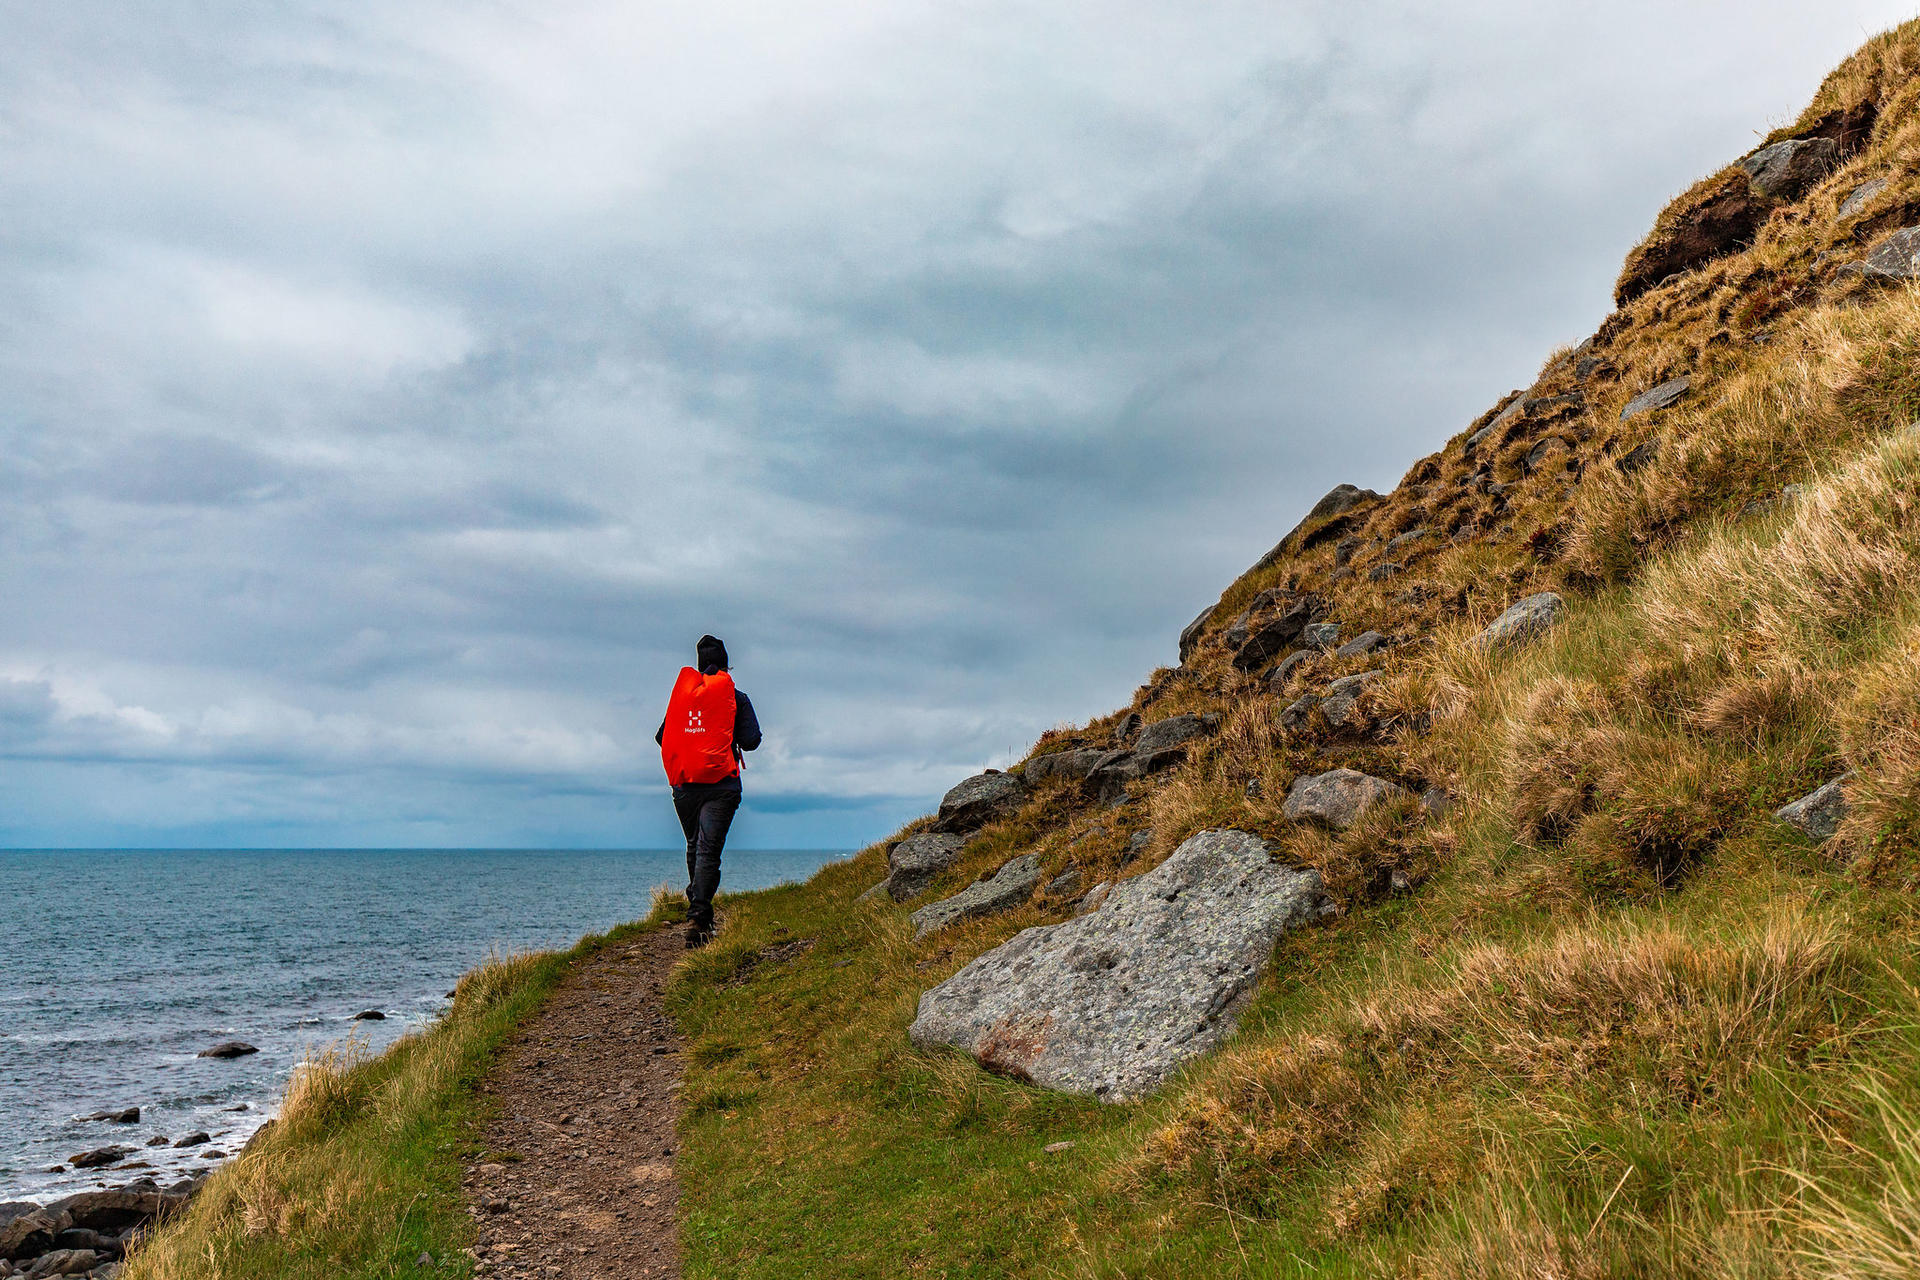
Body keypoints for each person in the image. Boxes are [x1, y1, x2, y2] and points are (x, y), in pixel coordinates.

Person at [656, 635, 761, 948]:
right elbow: (752, 740)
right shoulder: (735, 697)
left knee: (694, 845)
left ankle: (698, 911)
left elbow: (663, 737)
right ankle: (700, 918)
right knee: (708, 849)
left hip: (684, 785)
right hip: (721, 786)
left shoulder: (683, 697)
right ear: (727, 664)